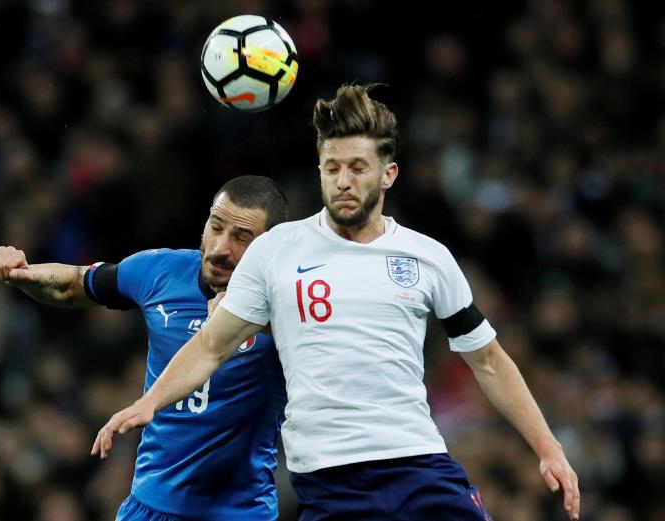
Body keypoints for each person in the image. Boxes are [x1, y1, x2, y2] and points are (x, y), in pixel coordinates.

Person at [92, 85, 581, 521]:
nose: (343, 180)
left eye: (357, 167)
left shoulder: (428, 257)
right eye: (332, 167)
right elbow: (210, 347)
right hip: (329, 482)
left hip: (417, 465)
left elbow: (488, 360)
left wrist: (548, 447)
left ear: (388, 174)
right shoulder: (277, 250)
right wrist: (150, 402)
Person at [0, 175, 289, 521]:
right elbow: (72, 284)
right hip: (148, 507)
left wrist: (254, 314)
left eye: (242, 237)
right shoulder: (161, 271)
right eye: (216, 227)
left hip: (239, 512)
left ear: (270, 248)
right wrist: (22, 273)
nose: (221, 247)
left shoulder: (287, 306)